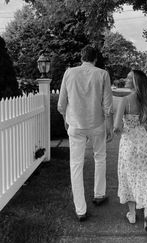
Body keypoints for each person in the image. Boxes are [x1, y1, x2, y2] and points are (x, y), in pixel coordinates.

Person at [57, 45, 113, 221]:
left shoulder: (69, 72)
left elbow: (61, 103)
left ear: (81, 57)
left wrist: (66, 121)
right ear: (95, 59)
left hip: (76, 125)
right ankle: (99, 194)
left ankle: (80, 210)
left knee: (75, 165)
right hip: (97, 124)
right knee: (100, 157)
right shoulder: (102, 74)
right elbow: (108, 105)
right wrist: (109, 127)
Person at [113, 70, 147, 231]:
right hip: (143, 143)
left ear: (136, 81)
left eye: (130, 78)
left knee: (129, 176)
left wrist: (120, 128)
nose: (127, 79)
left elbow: (117, 127)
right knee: (145, 175)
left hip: (128, 144)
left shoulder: (125, 101)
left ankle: (131, 214)